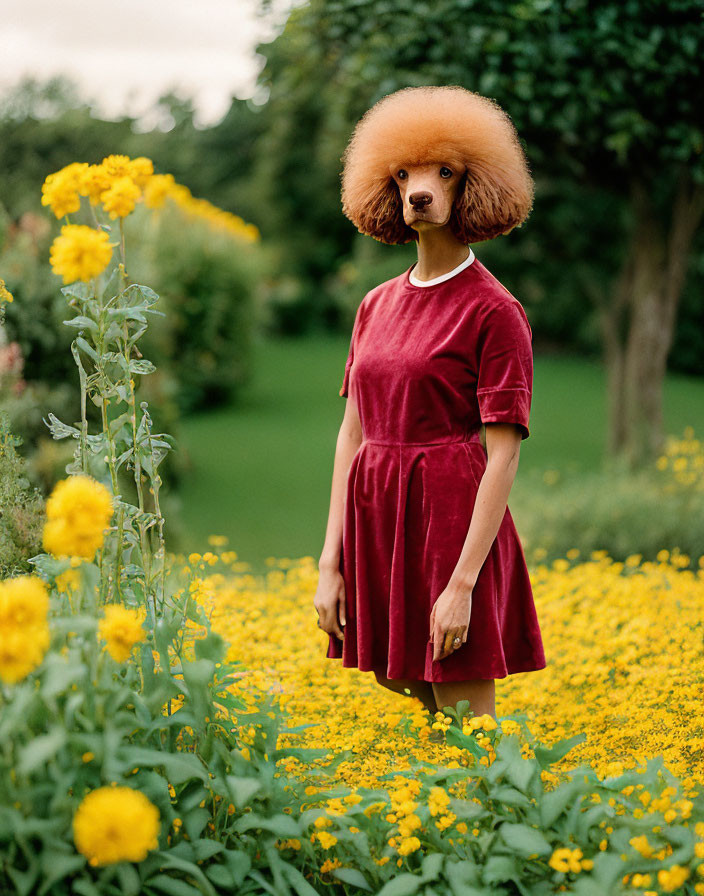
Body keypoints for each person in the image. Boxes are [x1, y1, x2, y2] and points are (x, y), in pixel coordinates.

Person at [314, 86, 547, 721]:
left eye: (442, 173)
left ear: (471, 186)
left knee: (465, 714)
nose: (420, 188)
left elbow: (502, 455)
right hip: (380, 518)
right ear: (385, 188)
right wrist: (329, 562)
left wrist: (464, 584)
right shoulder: (374, 305)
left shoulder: (494, 310)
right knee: (407, 687)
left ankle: (490, 812)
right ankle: (447, 811)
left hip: (454, 521)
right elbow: (351, 436)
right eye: (405, 174)